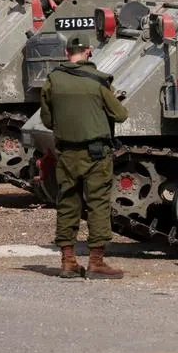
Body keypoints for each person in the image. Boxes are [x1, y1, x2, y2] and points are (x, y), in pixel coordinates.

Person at [40, 35, 129, 279]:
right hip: (97, 154)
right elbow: (120, 115)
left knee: (67, 202)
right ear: (88, 52)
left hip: (67, 153)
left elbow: (47, 120)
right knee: (97, 203)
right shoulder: (98, 81)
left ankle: (68, 261)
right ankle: (96, 262)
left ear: (66, 51)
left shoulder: (53, 80)